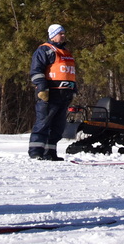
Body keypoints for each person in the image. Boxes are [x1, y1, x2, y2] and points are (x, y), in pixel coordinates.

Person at [28, 24, 77, 160]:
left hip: (64, 95)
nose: (63, 36)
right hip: (50, 94)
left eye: (64, 33)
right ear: (53, 35)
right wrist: (42, 88)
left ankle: (50, 153)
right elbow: (36, 71)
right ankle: (36, 152)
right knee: (43, 123)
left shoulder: (66, 52)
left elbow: (70, 73)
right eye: (60, 33)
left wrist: (74, 89)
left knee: (58, 127)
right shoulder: (44, 50)